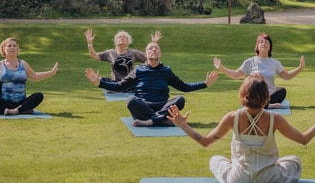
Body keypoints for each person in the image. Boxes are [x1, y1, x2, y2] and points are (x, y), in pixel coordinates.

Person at [167, 74, 315, 183]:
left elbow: (205, 141)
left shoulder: (232, 117)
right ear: (266, 96)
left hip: (238, 179)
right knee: (295, 161)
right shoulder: (275, 119)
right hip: (269, 179)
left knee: (215, 159)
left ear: (243, 94)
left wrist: (183, 125)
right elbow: (303, 139)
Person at [85, 42, 218, 127]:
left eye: (156, 48)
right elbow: (119, 86)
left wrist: (205, 84)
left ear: (160, 53)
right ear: (146, 54)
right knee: (131, 100)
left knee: (180, 99)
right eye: (150, 48)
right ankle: (163, 120)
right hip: (143, 107)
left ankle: (151, 121)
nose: (153, 49)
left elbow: (184, 87)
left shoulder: (166, 71)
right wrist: (99, 83)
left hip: (162, 105)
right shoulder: (138, 71)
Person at [0, 37, 58, 116]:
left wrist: (51, 73)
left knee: (39, 96)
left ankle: (16, 110)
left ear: (17, 49)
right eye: (9, 46)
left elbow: (35, 77)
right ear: (4, 49)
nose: (12, 48)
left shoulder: (23, 64)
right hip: (4, 102)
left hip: (21, 101)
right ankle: (23, 110)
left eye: (14, 46)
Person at [213, 33, 305, 109]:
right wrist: (221, 68)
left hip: (269, 96)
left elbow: (287, 76)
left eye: (266, 42)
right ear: (257, 46)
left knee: (281, 91)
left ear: (270, 46)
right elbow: (236, 75)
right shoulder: (250, 61)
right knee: (250, 94)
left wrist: (300, 68)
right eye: (261, 42)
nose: (264, 44)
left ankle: (265, 105)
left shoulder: (274, 63)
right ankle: (267, 106)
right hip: (255, 94)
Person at [84, 28, 162, 81]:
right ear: (115, 41)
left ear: (128, 41)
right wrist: (89, 43)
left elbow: (149, 57)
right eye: (119, 37)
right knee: (101, 80)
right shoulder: (110, 53)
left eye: (124, 37)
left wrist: (154, 43)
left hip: (130, 83)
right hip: (115, 83)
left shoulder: (133, 53)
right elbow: (94, 56)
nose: (121, 38)